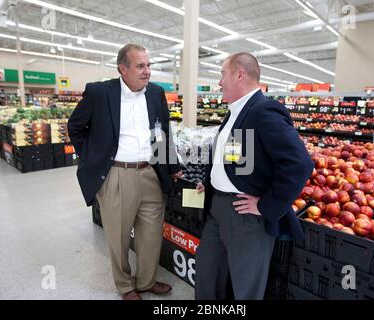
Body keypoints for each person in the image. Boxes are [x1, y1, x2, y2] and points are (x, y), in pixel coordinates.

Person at [68, 44, 182, 300]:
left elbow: (164, 134)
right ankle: (125, 286)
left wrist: (172, 167)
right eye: (141, 66)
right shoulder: (100, 92)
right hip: (116, 175)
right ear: (123, 68)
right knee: (118, 237)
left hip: (150, 173)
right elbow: (75, 127)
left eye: (149, 65)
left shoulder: (156, 93)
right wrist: (92, 157)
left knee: (151, 234)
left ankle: (146, 280)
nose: (147, 71)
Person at [195, 52, 313, 300]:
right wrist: (212, 181)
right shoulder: (235, 112)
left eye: (222, 75)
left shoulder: (264, 110)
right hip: (217, 208)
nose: (219, 82)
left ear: (240, 75)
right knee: (207, 275)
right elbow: (233, 157)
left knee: (245, 287)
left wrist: (266, 205)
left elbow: (299, 163)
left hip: (244, 215)